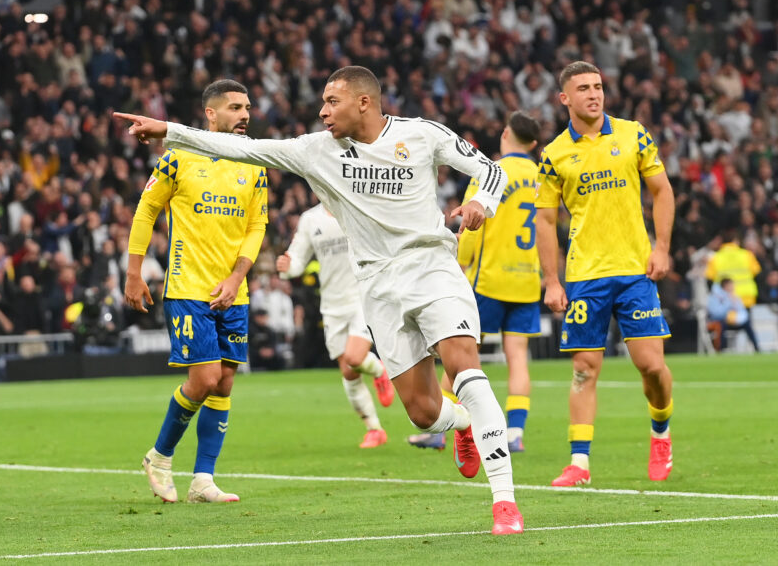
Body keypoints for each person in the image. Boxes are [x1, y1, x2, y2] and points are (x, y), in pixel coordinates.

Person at [116, 65, 524, 535]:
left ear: (364, 103)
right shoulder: (316, 151)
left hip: (432, 268)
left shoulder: (422, 134)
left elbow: (490, 170)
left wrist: (481, 204)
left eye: (332, 101)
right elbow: (242, 148)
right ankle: (464, 426)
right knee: (423, 412)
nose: (322, 111)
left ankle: (504, 503)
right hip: (377, 287)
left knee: (466, 368)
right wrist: (170, 130)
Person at [126, 79, 268, 504]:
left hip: (233, 292)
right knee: (204, 378)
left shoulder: (254, 162)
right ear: (211, 114)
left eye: (247, 107)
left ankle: (203, 479)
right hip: (188, 286)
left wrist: (237, 276)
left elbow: (256, 224)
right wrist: (134, 272)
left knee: (224, 383)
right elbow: (146, 209)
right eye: (235, 107)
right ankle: (160, 455)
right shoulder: (179, 158)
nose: (245, 115)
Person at [535, 60, 675, 487]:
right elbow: (544, 219)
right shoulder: (555, 153)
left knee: (650, 366)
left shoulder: (633, 134)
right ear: (565, 98)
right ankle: (579, 463)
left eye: (598, 86)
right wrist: (552, 279)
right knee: (584, 369)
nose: (594, 94)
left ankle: (661, 431)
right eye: (583, 88)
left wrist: (663, 247)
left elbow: (662, 190)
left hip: (635, 270)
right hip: (585, 276)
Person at [408, 111, 542, 455]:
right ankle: (515, 432)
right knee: (518, 359)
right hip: (527, 279)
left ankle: (439, 428)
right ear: (535, 144)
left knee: (460, 355)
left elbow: (469, 223)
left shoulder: (490, 172)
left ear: (506, 134)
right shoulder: (541, 175)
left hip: (489, 280)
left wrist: (458, 265)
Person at [276, 201, 396, 449]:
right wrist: (288, 268)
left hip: (361, 297)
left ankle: (379, 371)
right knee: (349, 372)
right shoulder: (310, 219)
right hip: (332, 304)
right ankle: (374, 429)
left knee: (354, 357)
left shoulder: (355, 205)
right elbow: (298, 257)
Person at [706, 278, 760, 352]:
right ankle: (721, 349)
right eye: (730, 285)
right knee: (721, 325)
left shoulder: (735, 296)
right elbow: (716, 313)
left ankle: (756, 347)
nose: (732, 287)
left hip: (734, 321)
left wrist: (734, 304)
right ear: (724, 286)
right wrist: (728, 303)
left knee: (747, 323)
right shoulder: (714, 297)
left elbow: (741, 310)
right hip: (721, 320)